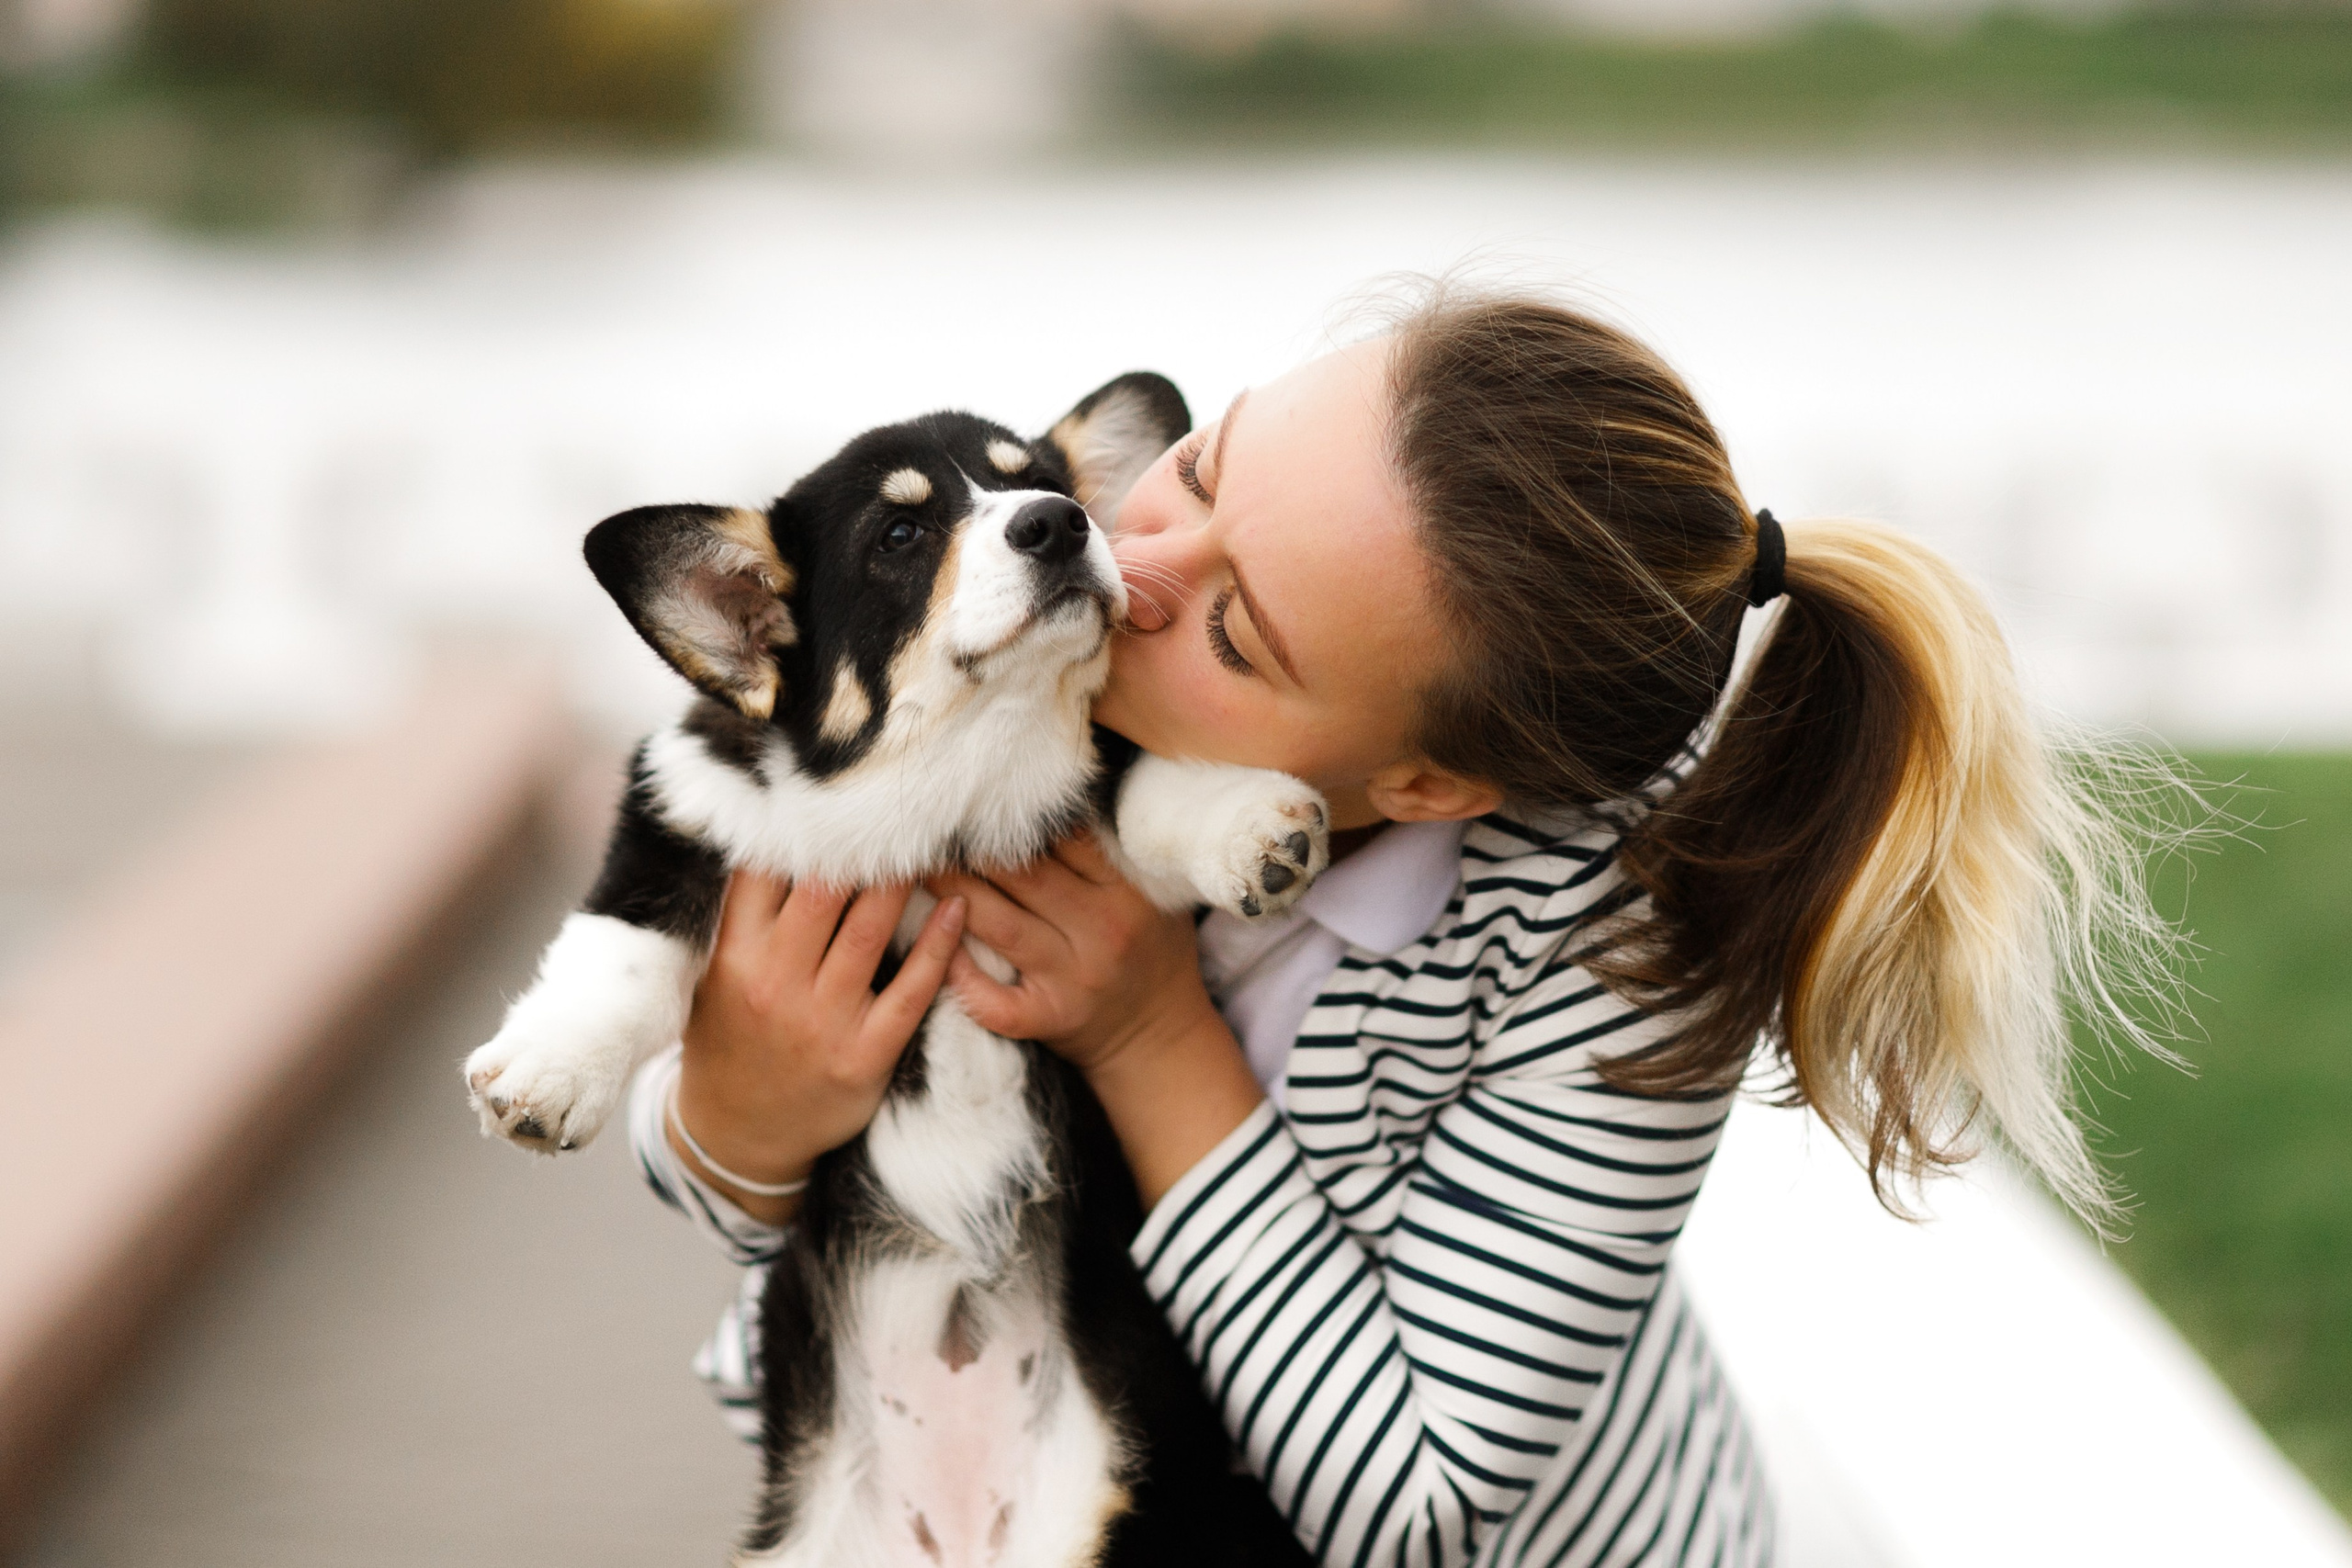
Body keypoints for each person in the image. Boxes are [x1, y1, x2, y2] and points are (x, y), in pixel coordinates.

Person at [624, 288, 2180, 1565]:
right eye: (1204, 472)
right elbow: (757, 1143)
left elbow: (1416, 1503)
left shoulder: (1620, 944)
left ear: (1424, 784)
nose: (1133, 567)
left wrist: (1150, 1034)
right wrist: (734, 1122)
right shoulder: (998, 698)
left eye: (1238, 632)